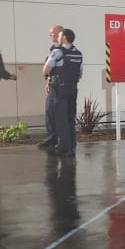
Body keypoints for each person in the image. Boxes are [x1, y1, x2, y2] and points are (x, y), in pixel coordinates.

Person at [43, 28, 83, 156]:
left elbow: (46, 69)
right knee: (71, 118)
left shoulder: (58, 52)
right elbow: (80, 73)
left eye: (59, 35)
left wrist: (51, 75)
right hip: (73, 88)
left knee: (61, 119)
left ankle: (65, 148)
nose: (57, 37)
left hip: (59, 89)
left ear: (64, 37)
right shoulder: (78, 53)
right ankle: (72, 145)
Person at [37, 25, 63, 150]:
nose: (50, 36)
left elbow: (47, 69)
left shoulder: (62, 49)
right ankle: (52, 137)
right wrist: (48, 81)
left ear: (59, 33)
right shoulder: (54, 48)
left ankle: (60, 140)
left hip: (60, 86)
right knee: (49, 111)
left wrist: (48, 75)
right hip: (53, 83)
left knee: (59, 113)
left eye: (52, 33)